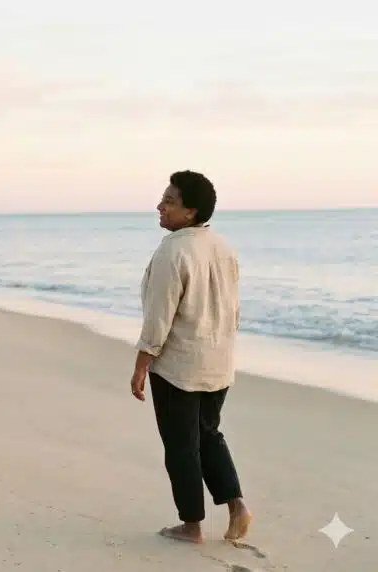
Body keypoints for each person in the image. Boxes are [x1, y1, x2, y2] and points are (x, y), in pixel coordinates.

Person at [129, 170, 252, 544]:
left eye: (169, 201)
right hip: (217, 362)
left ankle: (191, 526)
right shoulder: (223, 247)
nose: (160, 206)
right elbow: (233, 311)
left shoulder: (173, 251)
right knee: (209, 435)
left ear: (190, 211)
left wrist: (141, 364)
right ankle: (237, 507)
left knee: (181, 446)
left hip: (179, 365)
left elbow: (159, 315)